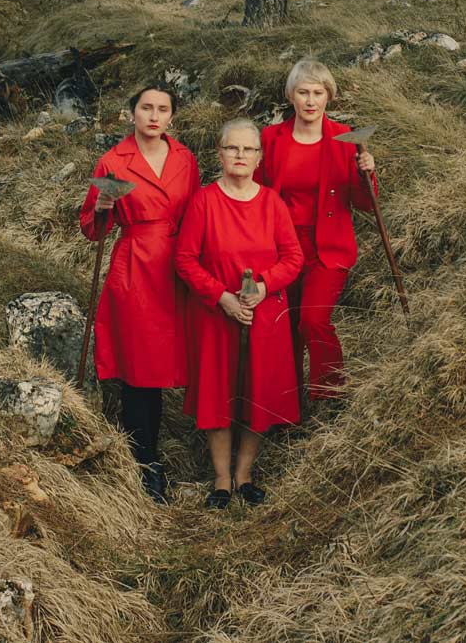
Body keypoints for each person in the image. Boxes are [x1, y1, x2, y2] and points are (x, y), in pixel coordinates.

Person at [80, 84, 201, 502]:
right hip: (135, 267)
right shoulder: (114, 161)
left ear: (171, 117)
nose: (153, 115)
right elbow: (93, 229)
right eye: (146, 108)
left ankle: (185, 441)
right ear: (131, 114)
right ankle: (145, 460)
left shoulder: (185, 158)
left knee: (173, 358)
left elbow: (196, 214)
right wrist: (100, 209)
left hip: (179, 264)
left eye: (162, 109)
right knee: (138, 367)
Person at [174, 118, 304, 508]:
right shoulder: (203, 201)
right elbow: (185, 260)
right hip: (216, 315)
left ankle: (244, 474)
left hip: (263, 313)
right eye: (233, 148)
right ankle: (220, 480)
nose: (240, 155)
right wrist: (222, 297)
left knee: (257, 391)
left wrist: (263, 286)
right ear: (220, 152)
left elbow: (293, 257)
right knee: (219, 393)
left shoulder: (271, 202)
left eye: (248, 149)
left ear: (259, 157)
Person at [257, 58, 375, 404]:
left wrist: (367, 174)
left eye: (318, 92)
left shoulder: (345, 139)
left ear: (328, 96)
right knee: (285, 326)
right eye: (303, 92)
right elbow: (258, 193)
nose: (310, 100)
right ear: (290, 96)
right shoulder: (271, 139)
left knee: (312, 320)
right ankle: (288, 403)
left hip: (328, 246)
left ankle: (329, 395)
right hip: (281, 248)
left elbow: (365, 204)